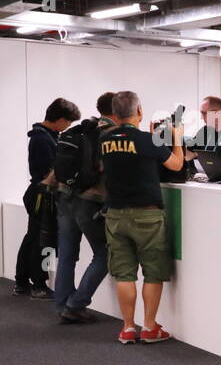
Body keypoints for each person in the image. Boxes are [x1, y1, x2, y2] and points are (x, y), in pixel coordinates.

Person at [99, 90, 184, 344]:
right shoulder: (150, 140)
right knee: (153, 272)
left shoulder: (104, 139)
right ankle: (148, 327)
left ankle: (127, 328)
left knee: (124, 273)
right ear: (139, 111)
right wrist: (176, 139)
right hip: (147, 215)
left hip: (115, 214)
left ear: (114, 114)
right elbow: (177, 165)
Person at [52, 92, 116, 323]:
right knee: (106, 252)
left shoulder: (82, 128)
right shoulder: (111, 135)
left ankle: (62, 305)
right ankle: (77, 303)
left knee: (67, 254)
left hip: (64, 196)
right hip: (89, 200)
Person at [13, 98, 80, 299]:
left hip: (40, 192)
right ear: (60, 119)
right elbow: (47, 171)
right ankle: (38, 284)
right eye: (68, 122)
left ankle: (22, 281)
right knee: (42, 238)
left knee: (33, 237)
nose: (68, 127)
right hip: (43, 193)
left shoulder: (45, 136)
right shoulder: (42, 139)